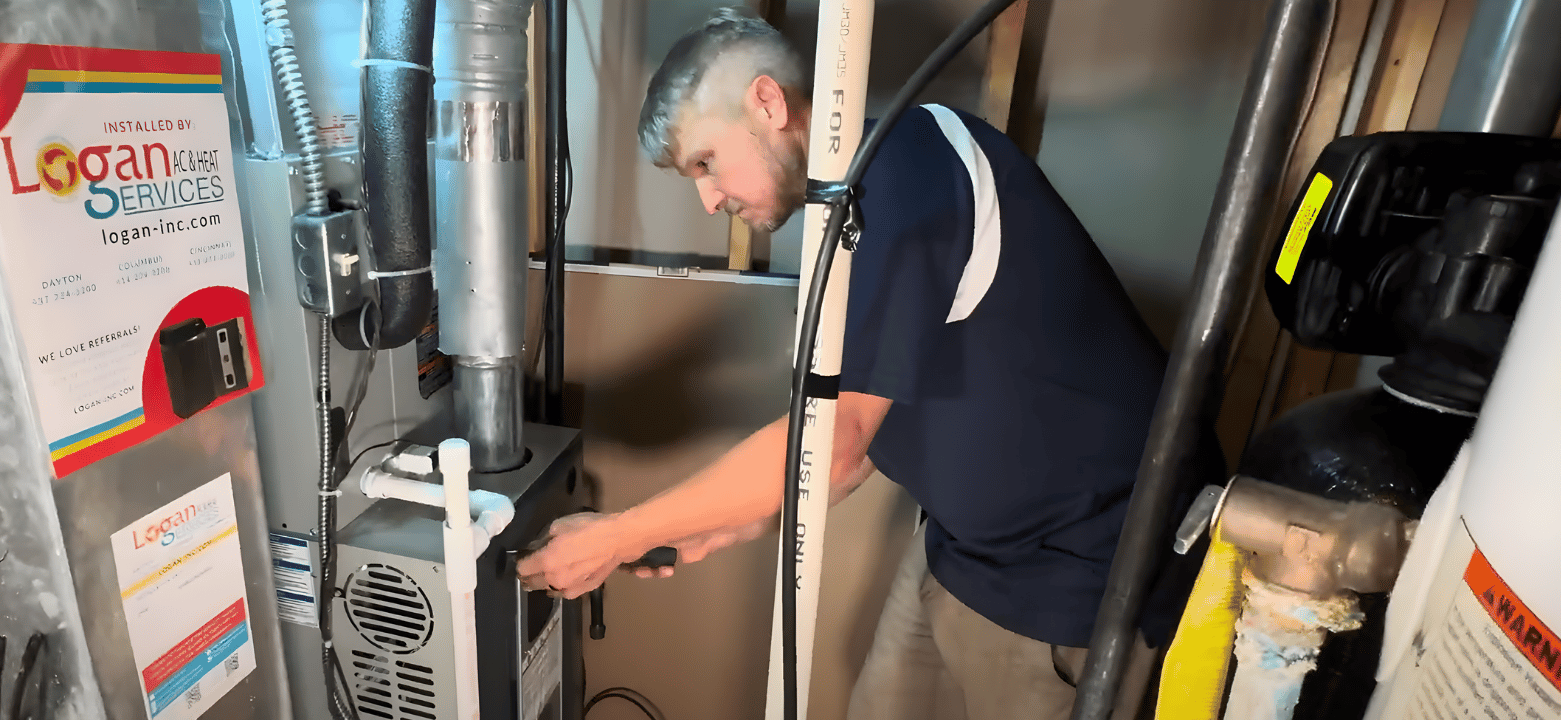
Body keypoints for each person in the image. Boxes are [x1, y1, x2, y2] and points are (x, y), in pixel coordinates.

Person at [516, 8, 1204, 719]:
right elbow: (860, 426)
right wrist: (729, 522)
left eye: (706, 163)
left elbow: (836, 443)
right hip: (967, 547)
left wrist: (616, 534)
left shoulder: (908, 169)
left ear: (767, 102)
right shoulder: (846, 210)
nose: (709, 197)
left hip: (1074, 573)